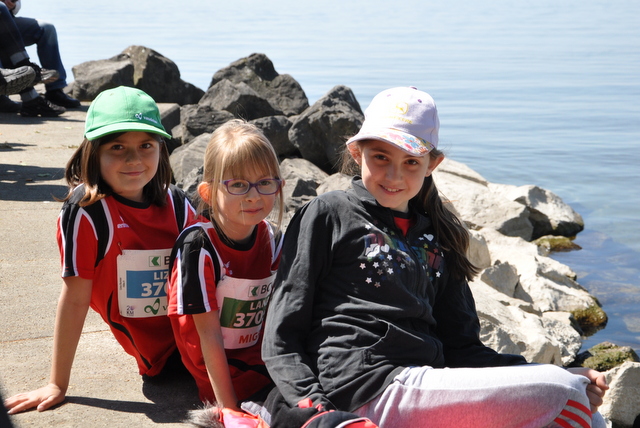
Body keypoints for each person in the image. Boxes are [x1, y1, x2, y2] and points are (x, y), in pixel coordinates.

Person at [261, 87, 609, 427]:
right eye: (381, 157)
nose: (394, 175)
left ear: (433, 164)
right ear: (356, 152)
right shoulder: (329, 213)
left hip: (427, 386)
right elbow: (282, 334)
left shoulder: (438, 238)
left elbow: (464, 349)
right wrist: (316, 412)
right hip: (361, 387)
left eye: (411, 162)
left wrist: (549, 371)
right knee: (565, 392)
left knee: (580, 403)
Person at [4, 86, 199, 415]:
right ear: (93, 153)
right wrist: (57, 384)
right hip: (166, 359)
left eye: (146, 145)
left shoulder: (178, 203)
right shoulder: (88, 212)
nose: (133, 159)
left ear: (161, 149)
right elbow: (75, 298)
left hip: (206, 334)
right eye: (117, 147)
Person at [167, 119, 285, 410]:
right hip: (221, 374)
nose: (254, 195)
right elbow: (208, 335)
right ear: (208, 193)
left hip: (264, 364)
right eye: (238, 185)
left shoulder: (273, 238)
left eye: (265, 183)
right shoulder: (198, 247)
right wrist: (229, 409)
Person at [1, 0, 80, 110]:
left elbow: (16, 5)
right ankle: (23, 76)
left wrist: (13, 5)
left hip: (7, 21)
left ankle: (55, 90)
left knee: (47, 28)